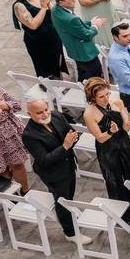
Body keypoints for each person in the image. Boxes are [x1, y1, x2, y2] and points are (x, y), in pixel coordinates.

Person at [22, 94, 91, 245]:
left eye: (46, 109)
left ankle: (70, 215)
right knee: (62, 201)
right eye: (39, 112)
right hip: (53, 173)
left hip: (68, 164)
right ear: (29, 114)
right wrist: (65, 146)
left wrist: (72, 139)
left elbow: (71, 132)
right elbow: (45, 160)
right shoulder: (29, 135)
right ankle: (70, 233)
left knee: (69, 195)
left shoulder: (57, 116)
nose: (45, 114)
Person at [81, 78, 130, 221]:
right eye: (101, 96)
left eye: (107, 94)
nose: (106, 98)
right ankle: (123, 214)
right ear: (92, 98)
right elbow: (100, 138)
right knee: (114, 180)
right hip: (107, 149)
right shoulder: (89, 114)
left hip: (123, 143)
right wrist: (110, 132)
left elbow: (126, 128)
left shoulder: (117, 102)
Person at [12, 0, 64, 79]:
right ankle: (49, 90)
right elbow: (33, 25)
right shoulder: (19, 6)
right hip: (37, 42)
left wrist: (49, 4)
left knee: (56, 65)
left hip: (53, 37)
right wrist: (44, 8)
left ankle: (59, 85)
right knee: (44, 68)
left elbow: (56, 14)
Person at [49, 0, 104, 81]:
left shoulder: (55, 10)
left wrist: (90, 23)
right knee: (95, 76)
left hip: (74, 51)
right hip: (85, 53)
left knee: (82, 75)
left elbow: (73, 27)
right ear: (61, 2)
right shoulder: (71, 19)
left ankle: (82, 90)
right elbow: (86, 35)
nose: (74, 0)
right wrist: (96, 26)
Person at [0, 85, 30, 194]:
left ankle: (24, 191)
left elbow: (17, 105)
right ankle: (10, 195)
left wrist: (6, 105)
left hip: (10, 135)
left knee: (17, 164)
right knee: (1, 169)